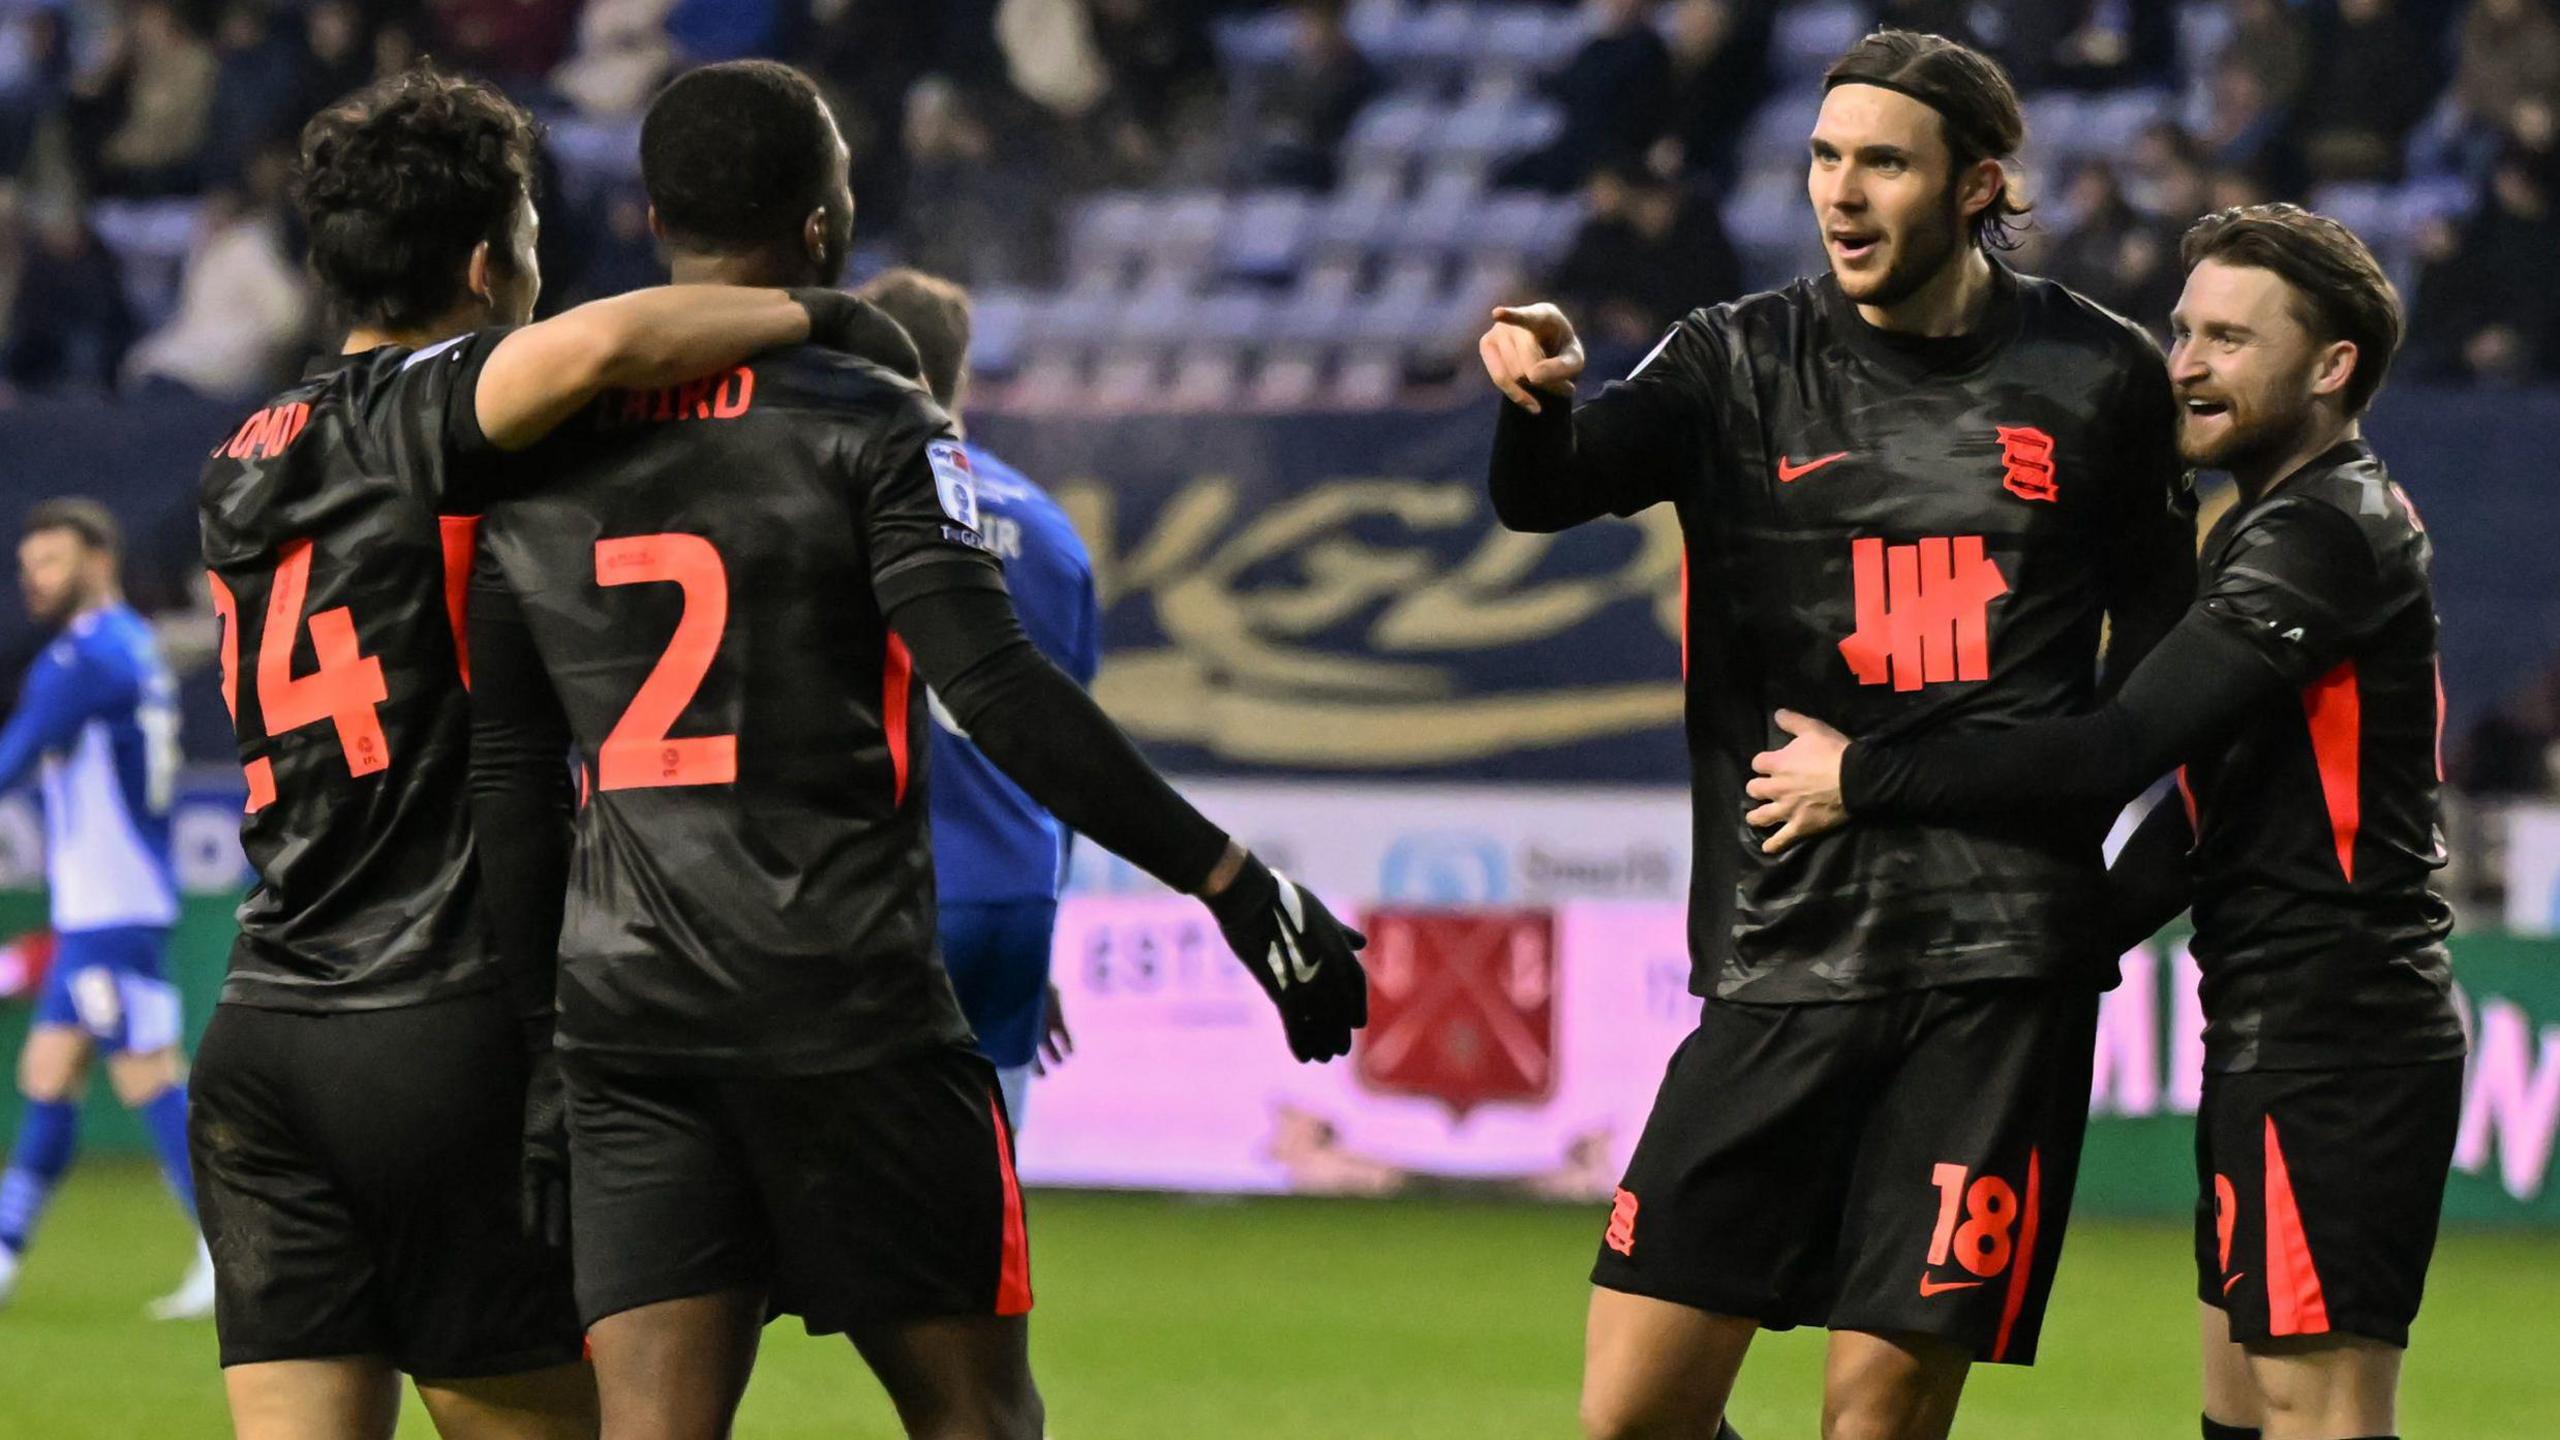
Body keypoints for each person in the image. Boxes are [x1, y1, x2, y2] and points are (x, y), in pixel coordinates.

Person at [463, 60, 1367, 1440]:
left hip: (633, 1024)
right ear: (824, 226)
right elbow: (996, 686)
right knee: (977, 1421)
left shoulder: (528, 451)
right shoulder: (873, 419)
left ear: (651, 218)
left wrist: (538, 1047)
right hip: (853, 1009)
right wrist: (1234, 881)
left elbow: (515, 779)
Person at [1477, 29, 2195, 1440]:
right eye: (1824, 158)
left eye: (1883, 162)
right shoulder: (1737, 359)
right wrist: (1536, 403)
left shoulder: (2100, 378)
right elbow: (1550, 492)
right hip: (1782, 947)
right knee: (1631, 1416)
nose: (1842, 193)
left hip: (1993, 980)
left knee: (1874, 1420)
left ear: (1979, 185)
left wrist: (2095, 920)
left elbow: (2166, 691)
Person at [192, 64, 904, 1440]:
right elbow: (607, 347)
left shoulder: (243, 455)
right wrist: (829, 316)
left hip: (267, 1027)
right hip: (441, 1024)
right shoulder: (424, 411)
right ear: (484, 263)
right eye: (527, 243)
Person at [1747, 203, 2460, 1440]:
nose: (2182, 363)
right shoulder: (2279, 523)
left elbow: (2120, 749)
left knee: (2319, 1404)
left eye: (2229, 339)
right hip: (2274, 1023)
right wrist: (2065, 945)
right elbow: (2204, 820)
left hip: (2337, 1034)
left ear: (2332, 366)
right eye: (2181, 331)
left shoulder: (2322, 533)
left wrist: (1865, 779)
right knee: (2243, 1407)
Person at [858, 265, 1097, 1129]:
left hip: (884, 896)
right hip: (1012, 899)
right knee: (983, 1197)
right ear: (960, 371)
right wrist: (1041, 947)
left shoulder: (854, 499)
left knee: (869, 1202)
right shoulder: (1049, 531)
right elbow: (1071, 761)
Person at [0, 499, 207, 1321]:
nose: (35, 579)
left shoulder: (85, 657)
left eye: (51, 560)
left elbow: (10, 760)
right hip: (106, 905)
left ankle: (229, 1248)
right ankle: (6, 1255)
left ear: (98, 557)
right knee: (47, 1072)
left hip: (113, 908)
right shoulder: (133, 648)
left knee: (148, 1075)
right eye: (27, 565)